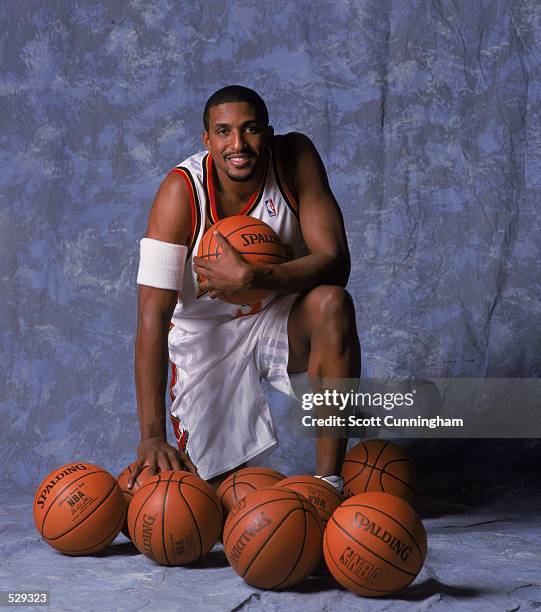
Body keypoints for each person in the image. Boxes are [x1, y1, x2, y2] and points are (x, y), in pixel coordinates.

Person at [129, 85, 361, 491]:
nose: (238, 144)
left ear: (267, 135)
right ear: (207, 140)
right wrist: (151, 436)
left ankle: (330, 485)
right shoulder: (180, 193)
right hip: (206, 337)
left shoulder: (294, 160)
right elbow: (152, 316)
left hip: (276, 313)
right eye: (224, 132)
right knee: (216, 498)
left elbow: (336, 263)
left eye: (250, 129)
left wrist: (256, 278)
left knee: (331, 303)